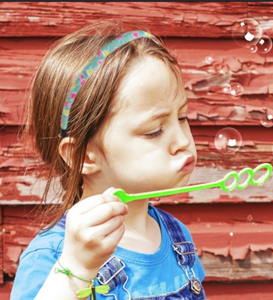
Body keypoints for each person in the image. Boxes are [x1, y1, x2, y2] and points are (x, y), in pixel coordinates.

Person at [10, 21, 206, 300]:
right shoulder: (55, 256)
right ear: (84, 157)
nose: (183, 140)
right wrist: (76, 268)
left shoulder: (176, 235)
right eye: (154, 131)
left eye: (182, 117)